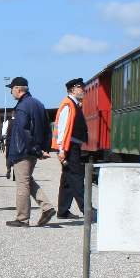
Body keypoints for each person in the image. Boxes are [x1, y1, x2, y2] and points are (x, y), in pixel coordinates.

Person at [5, 77, 55, 228]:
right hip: (33, 150)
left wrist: (36, 149)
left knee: (22, 184)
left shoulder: (22, 107)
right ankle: (47, 208)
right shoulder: (38, 104)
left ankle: (22, 218)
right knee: (27, 180)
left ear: (18, 89)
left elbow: (23, 131)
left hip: (23, 151)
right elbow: (48, 129)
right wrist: (43, 149)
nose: (11, 92)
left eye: (11, 89)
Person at [52, 78, 88, 219]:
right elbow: (62, 128)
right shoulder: (68, 105)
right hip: (69, 147)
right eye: (80, 87)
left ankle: (63, 211)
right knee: (77, 177)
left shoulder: (74, 104)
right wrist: (61, 149)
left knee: (67, 179)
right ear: (72, 89)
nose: (83, 89)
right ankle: (87, 209)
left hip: (72, 146)